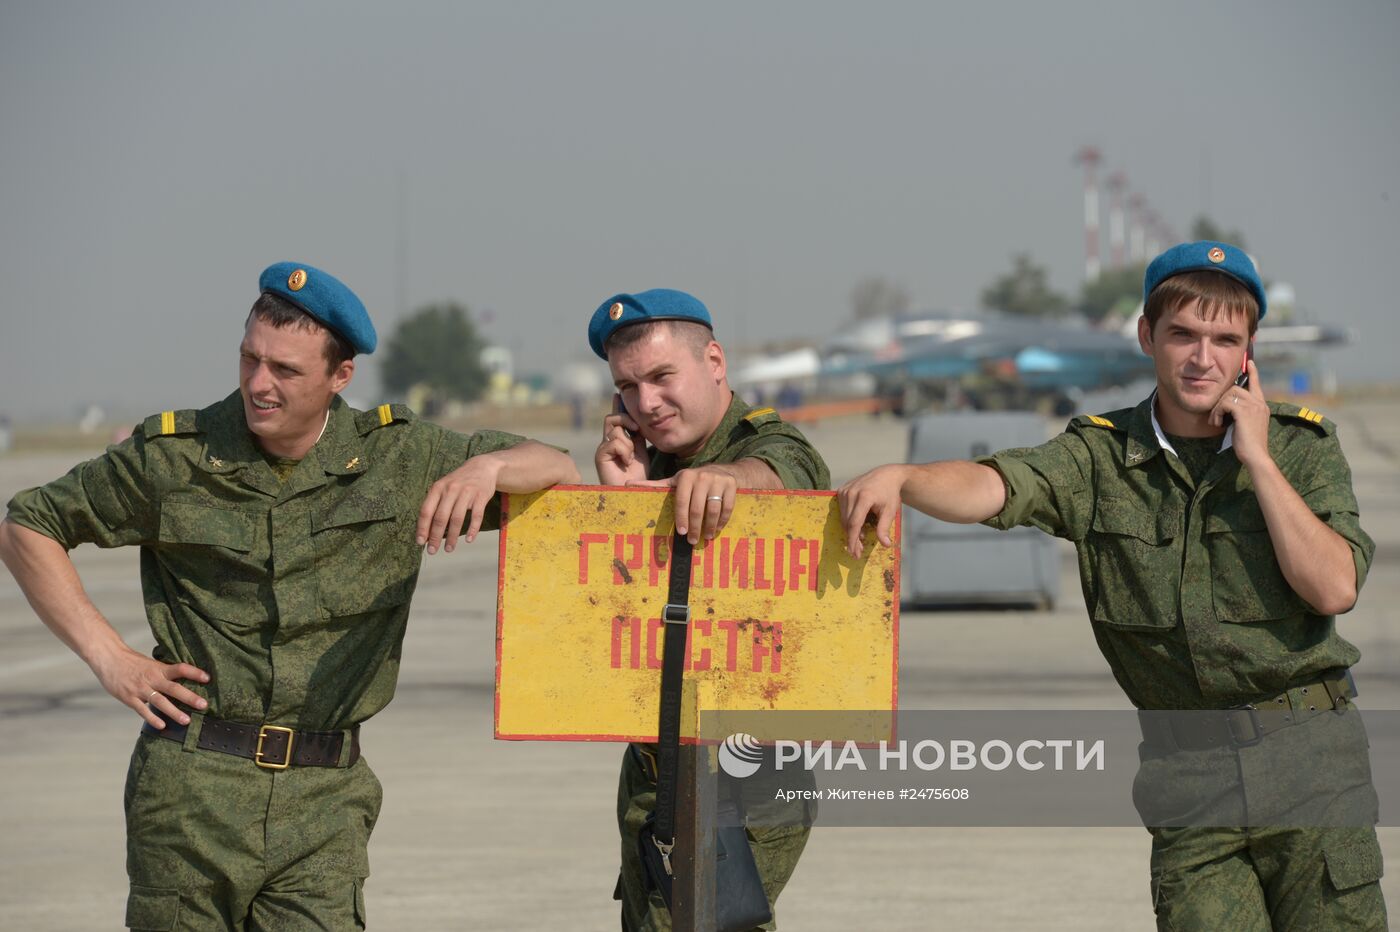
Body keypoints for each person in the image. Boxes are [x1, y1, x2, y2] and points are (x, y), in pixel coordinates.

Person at [0, 261, 579, 930]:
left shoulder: (401, 457)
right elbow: (27, 523)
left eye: (285, 370)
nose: (258, 383)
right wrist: (111, 658)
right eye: (250, 358)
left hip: (324, 802)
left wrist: (489, 466)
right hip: (191, 795)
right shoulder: (175, 456)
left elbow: (558, 466)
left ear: (340, 377)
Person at [838, 242, 1385, 930]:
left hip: (1312, 765)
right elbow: (1000, 484)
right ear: (1147, 336)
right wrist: (906, 479)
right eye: (1183, 334)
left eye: (1225, 340)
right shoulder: (1099, 457)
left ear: (1249, 352)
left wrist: (1259, 460)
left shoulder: (1301, 448)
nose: (1202, 358)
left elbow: (1334, 587)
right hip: (1190, 780)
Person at [589, 288, 829, 931]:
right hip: (651, 765)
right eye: (628, 387)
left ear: (715, 361)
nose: (647, 402)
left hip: (743, 773)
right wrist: (626, 499)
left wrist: (730, 481)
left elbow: (787, 475)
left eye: (663, 376)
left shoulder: (766, 443)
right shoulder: (648, 460)